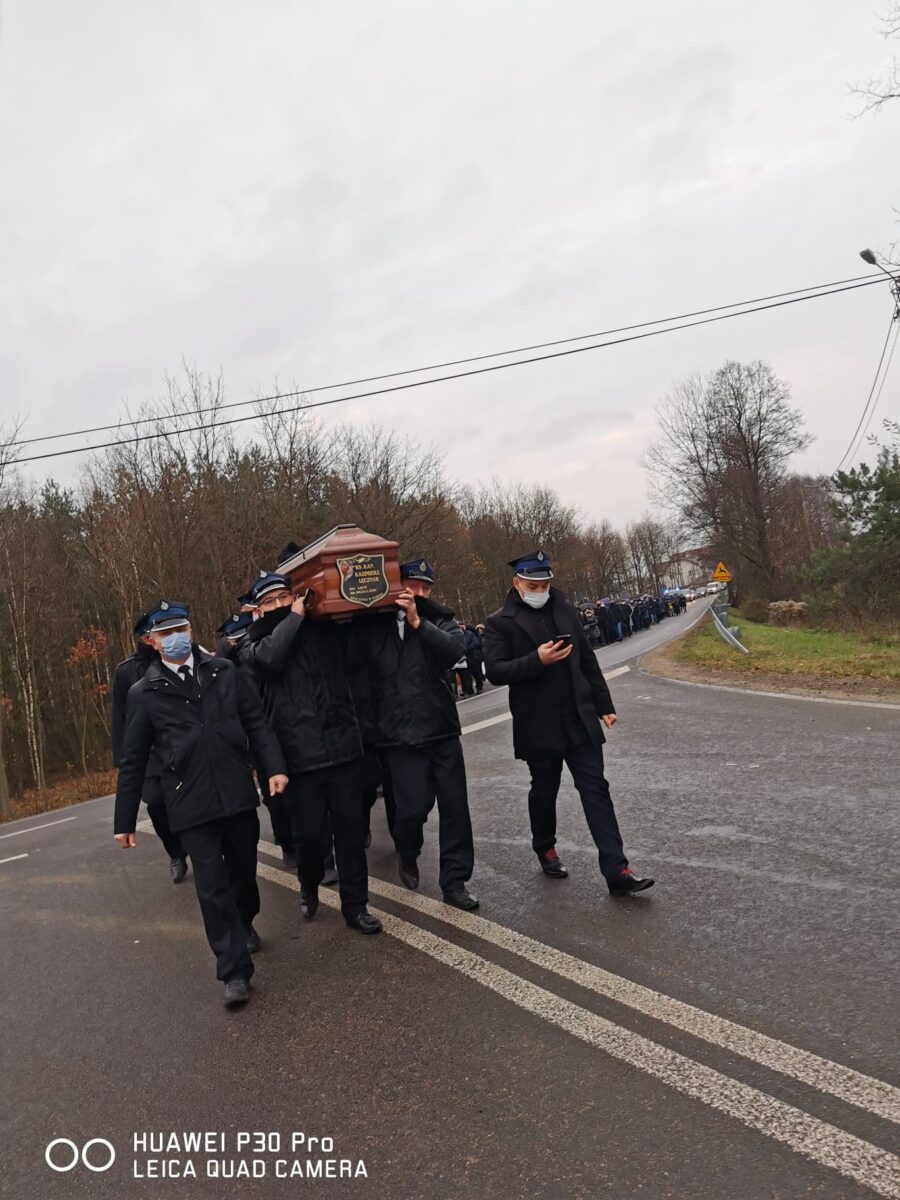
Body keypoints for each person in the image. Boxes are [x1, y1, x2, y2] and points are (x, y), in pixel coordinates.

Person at [114, 601, 289, 1008]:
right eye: (167, 632)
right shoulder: (144, 693)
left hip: (234, 790)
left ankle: (245, 918)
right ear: (153, 642)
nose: (177, 636)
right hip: (188, 803)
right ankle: (233, 971)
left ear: (191, 631)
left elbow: (256, 722)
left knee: (244, 871)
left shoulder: (223, 672)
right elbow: (133, 759)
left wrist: (273, 768)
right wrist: (124, 820)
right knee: (211, 887)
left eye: (182, 627)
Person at [482, 551, 654, 897]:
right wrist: (536, 660)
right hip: (538, 724)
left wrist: (604, 704)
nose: (541, 589)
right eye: (533, 584)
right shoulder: (501, 622)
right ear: (517, 584)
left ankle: (617, 870)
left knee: (596, 790)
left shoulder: (564, 609)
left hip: (579, 717)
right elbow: (495, 671)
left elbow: (587, 659)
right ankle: (544, 846)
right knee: (544, 791)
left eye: (545, 583)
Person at [238, 572, 382, 935]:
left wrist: (347, 616)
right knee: (311, 837)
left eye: (284, 597)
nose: (279, 606)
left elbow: (357, 657)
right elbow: (272, 658)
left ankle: (356, 906)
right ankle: (308, 881)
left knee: (350, 834)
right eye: (269, 603)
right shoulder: (251, 646)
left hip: (343, 747)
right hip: (298, 759)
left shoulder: (323, 630)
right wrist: (295, 617)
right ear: (258, 610)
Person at [364, 559, 478, 910]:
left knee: (455, 808)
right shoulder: (374, 627)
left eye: (426, 588)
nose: (420, 593)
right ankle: (408, 850)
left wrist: (418, 623)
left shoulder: (441, 621)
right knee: (412, 809)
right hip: (399, 736)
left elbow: (453, 652)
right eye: (414, 586)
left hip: (441, 729)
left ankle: (455, 881)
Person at [111, 612, 189, 884]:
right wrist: (124, 760)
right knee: (156, 805)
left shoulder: (179, 660)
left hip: (178, 746)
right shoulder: (126, 672)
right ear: (146, 638)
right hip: (148, 756)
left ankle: (201, 848)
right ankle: (176, 852)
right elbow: (120, 718)